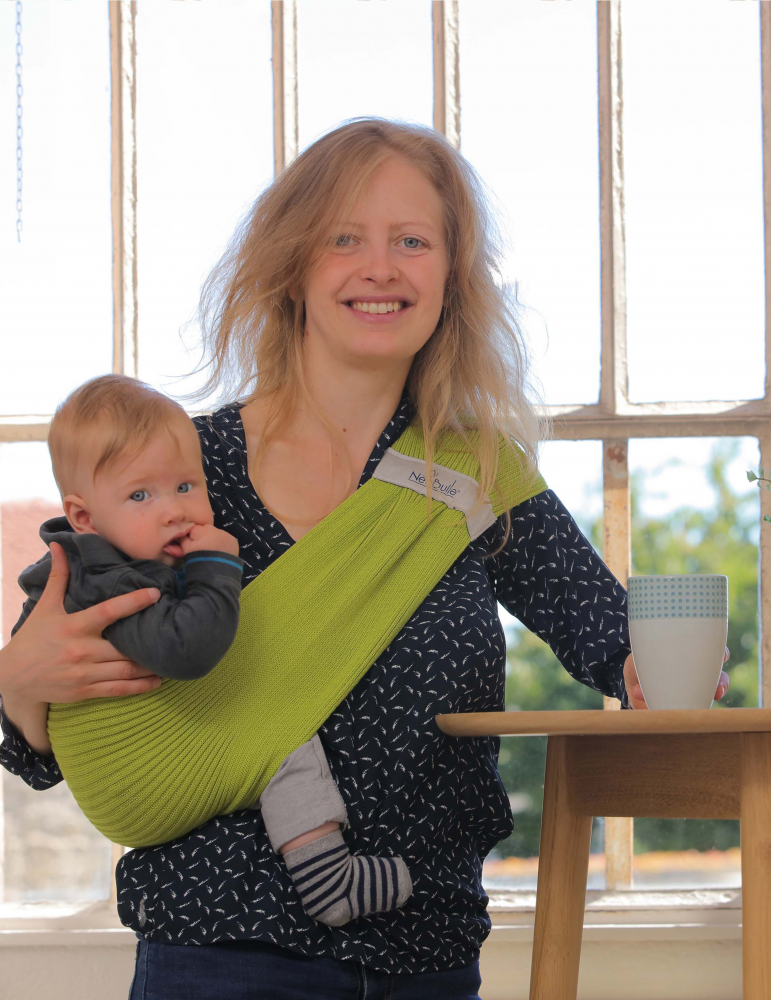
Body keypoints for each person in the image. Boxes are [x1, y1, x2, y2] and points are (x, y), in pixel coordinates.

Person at [0, 117, 729, 999]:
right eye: (345, 239)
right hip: (219, 948)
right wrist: (18, 678)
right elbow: (44, 741)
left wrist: (658, 670)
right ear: (294, 266)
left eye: (411, 241)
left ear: (451, 277)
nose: (380, 268)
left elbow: (614, 638)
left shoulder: (474, 474)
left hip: (424, 950)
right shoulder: (183, 473)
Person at [12, 373, 412, 928]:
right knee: (281, 742)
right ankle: (327, 876)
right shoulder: (108, 581)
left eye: (185, 486)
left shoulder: (95, 563)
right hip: (138, 780)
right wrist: (217, 567)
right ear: (84, 517)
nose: (174, 510)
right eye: (140, 495)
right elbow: (189, 649)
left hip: (142, 790)